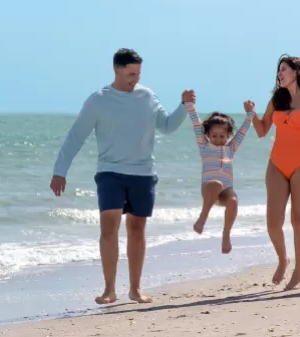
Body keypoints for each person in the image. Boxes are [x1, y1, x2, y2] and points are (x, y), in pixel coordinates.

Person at [49, 48, 196, 304]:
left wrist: (184, 106)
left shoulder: (147, 96)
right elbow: (76, 136)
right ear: (116, 70)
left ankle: (135, 289)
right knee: (109, 227)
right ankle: (109, 290)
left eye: (138, 73)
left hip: (143, 172)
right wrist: (60, 171)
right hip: (110, 172)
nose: (135, 78)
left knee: (137, 229)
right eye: (130, 74)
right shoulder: (98, 100)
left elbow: (168, 126)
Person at [251, 54, 300, 291]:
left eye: (283, 69)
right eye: (278, 70)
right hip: (277, 163)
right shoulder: (276, 100)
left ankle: (299, 271)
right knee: (273, 222)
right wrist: (251, 114)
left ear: (296, 72)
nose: (279, 73)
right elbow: (263, 130)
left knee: (299, 220)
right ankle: (283, 259)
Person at [187, 101, 256, 254]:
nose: (218, 139)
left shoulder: (231, 148)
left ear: (228, 135)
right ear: (207, 135)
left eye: (222, 136)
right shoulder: (204, 146)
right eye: (214, 136)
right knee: (216, 184)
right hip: (209, 188)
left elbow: (243, 132)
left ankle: (226, 235)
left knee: (234, 201)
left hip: (226, 190)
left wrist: (250, 114)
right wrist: (190, 105)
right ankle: (203, 218)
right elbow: (197, 125)